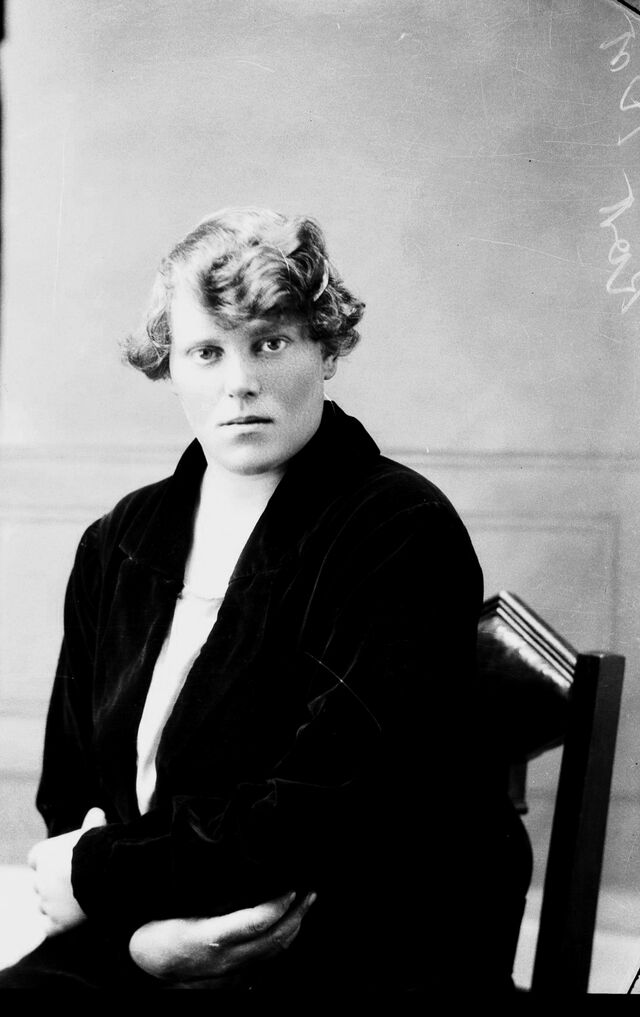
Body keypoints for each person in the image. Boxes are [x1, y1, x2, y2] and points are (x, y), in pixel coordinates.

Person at [0, 207, 531, 994]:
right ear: (171, 364)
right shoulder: (117, 541)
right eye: (208, 351)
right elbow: (71, 794)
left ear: (327, 348)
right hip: (145, 926)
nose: (239, 381)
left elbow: (325, 815)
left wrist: (106, 881)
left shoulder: (397, 530)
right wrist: (147, 939)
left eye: (271, 343)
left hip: (337, 942)